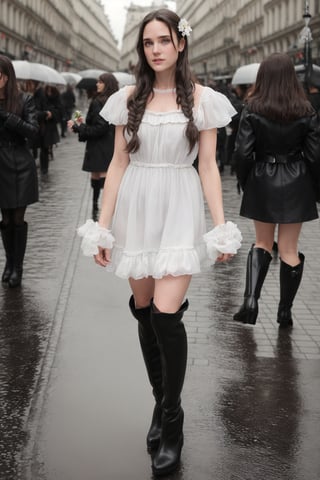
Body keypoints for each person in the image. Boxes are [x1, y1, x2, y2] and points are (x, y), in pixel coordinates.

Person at [77, 9, 241, 477]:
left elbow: (208, 166)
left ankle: (173, 422)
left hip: (178, 206)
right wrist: (102, 228)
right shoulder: (127, 99)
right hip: (136, 209)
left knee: (167, 316)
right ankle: (160, 400)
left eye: (164, 40)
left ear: (180, 44)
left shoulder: (204, 99)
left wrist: (220, 225)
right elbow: (118, 166)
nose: (155, 49)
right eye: (148, 42)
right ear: (142, 49)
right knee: (145, 311)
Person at [233, 52, 320, 329]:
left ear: (263, 77)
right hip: (297, 181)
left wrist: (247, 182)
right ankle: (284, 311)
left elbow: (243, 153)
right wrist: (315, 190)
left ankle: (250, 301)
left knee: (261, 243)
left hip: (263, 178)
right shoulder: (306, 110)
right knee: (289, 249)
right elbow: (315, 156)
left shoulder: (252, 108)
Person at [0, 55, 39, 288]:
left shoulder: (25, 100)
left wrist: (8, 117)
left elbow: (33, 131)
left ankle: (18, 267)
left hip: (20, 164)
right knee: (4, 219)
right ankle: (8, 263)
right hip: (0, 164)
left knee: (17, 218)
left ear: (7, 76)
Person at [68, 73, 118, 220]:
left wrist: (79, 127)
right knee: (100, 174)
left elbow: (99, 127)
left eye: (100, 82)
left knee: (100, 175)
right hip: (110, 143)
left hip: (99, 145)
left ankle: (99, 206)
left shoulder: (98, 102)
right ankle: (102, 206)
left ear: (107, 84)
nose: (97, 84)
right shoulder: (114, 100)